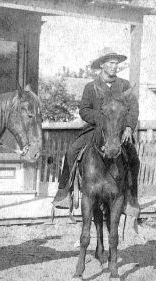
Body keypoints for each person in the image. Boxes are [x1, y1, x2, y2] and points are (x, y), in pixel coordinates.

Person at [53, 48, 140, 219]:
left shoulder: (124, 86)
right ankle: (64, 193)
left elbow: (133, 109)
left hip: (119, 132)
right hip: (95, 130)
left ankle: (131, 198)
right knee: (71, 152)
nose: (114, 67)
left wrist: (129, 127)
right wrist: (100, 118)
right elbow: (84, 110)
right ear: (102, 65)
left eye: (116, 63)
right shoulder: (91, 87)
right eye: (110, 63)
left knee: (134, 159)